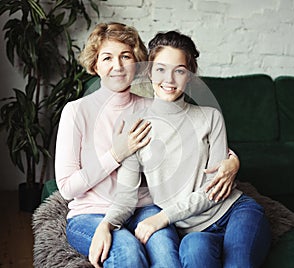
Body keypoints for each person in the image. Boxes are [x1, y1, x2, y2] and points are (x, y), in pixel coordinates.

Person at [55, 22, 240, 267]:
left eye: (126, 56)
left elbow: (197, 146)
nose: (118, 66)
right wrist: (116, 154)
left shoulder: (153, 106)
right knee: (129, 254)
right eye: (107, 57)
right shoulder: (76, 111)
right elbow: (67, 188)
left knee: (168, 258)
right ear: (95, 65)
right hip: (90, 214)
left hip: (144, 208)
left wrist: (233, 162)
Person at [102, 30, 272, 267]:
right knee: (193, 253)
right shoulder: (136, 128)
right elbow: (126, 196)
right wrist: (106, 225)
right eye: (161, 69)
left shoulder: (210, 117)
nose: (169, 79)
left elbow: (214, 190)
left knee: (238, 263)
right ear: (149, 72)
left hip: (235, 212)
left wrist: (162, 217)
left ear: (190, 76)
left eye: (179, 70)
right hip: (193, 232)